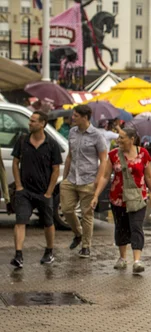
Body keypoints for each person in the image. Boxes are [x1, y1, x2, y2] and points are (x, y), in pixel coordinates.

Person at [91, 128, 151, 273]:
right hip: (117, 198)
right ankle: (122, 258)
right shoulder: (113, 155)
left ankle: (137, 261)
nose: (118, 140)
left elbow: (149, 176)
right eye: (119, 137)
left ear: (132, 139)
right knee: (121, 227)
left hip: (138, 197)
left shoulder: (143, 154)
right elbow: (105, 176)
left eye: (122, 138)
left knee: (136, 226)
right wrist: (96, 195)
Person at [10, 111, 63, 268]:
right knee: (20, 221)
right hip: (24, 191)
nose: (29, 123)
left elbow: (56, 170)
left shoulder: (52, 144)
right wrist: (18, 185)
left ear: (42, 124)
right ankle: (18, 255)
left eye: (33, 121)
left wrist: (49, 192)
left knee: (48, 222)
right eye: (30, 120)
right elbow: (15, 163)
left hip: (43, 191)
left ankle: (49, 251)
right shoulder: (22, 140)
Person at [60, 104, 108, 258]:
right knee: (66, 209)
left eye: (75, 116)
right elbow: (69, 156)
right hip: (71, 178)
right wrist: (65, 177)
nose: (72, 118)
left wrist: (97, 180)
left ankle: (86, 246)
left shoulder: (96, 135)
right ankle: (78, 233)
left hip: (88, 179)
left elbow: (103, 159)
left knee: (87, 215)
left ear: (85, 117)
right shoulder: (72, 132)